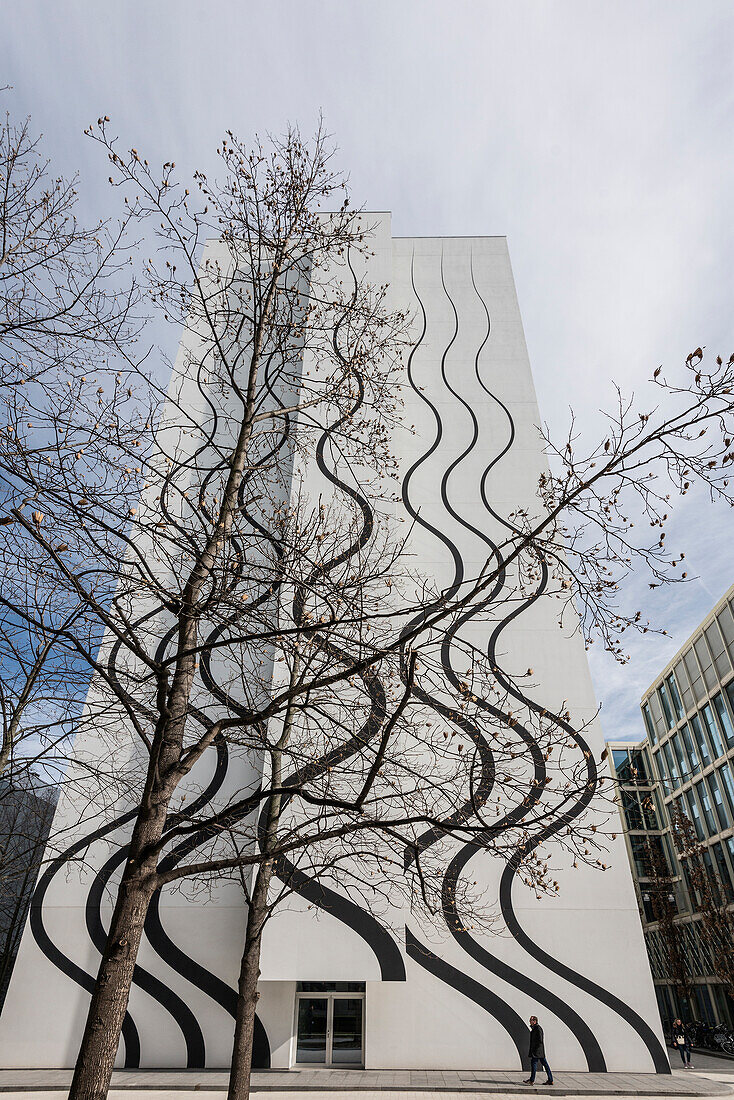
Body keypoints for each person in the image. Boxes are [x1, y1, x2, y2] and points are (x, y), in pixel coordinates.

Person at [523, 1016, 554, 1085]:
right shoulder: (535, 1028)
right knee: (545, 1065)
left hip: (537, 1051)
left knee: (534, 1064)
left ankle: (532, 1080)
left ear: (535, 1021)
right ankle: (550, 1079)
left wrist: (535, 1048)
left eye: (531, 1020)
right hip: (539, 1051)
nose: (530, 1022)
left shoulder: (537, 1028)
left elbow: (540, 1040)